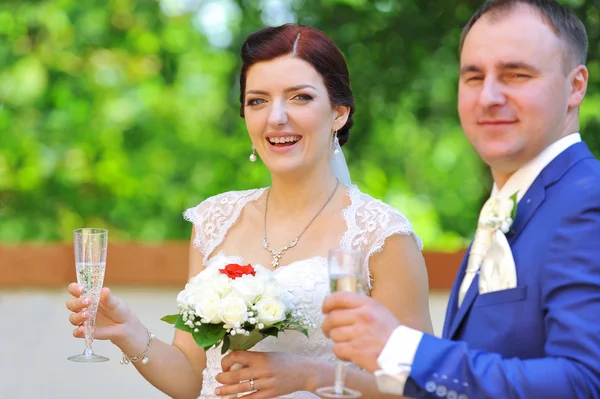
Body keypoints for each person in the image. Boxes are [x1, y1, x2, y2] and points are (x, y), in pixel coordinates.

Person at [66, 24, 434, 399]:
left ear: (339, 113)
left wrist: (311, 375)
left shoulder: (381, 236)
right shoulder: (215, 220)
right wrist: (129, 332)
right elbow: (193, 377)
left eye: (300, 97)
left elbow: (420, 387)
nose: (275, 117)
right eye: (257, 101)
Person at [322, 0, 600, 398]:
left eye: (516, 74)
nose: (488, 97)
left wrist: (400, 346)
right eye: (473, 77)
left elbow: (584, 383)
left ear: (576, 86)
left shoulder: (588, 202)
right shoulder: (509, 206)